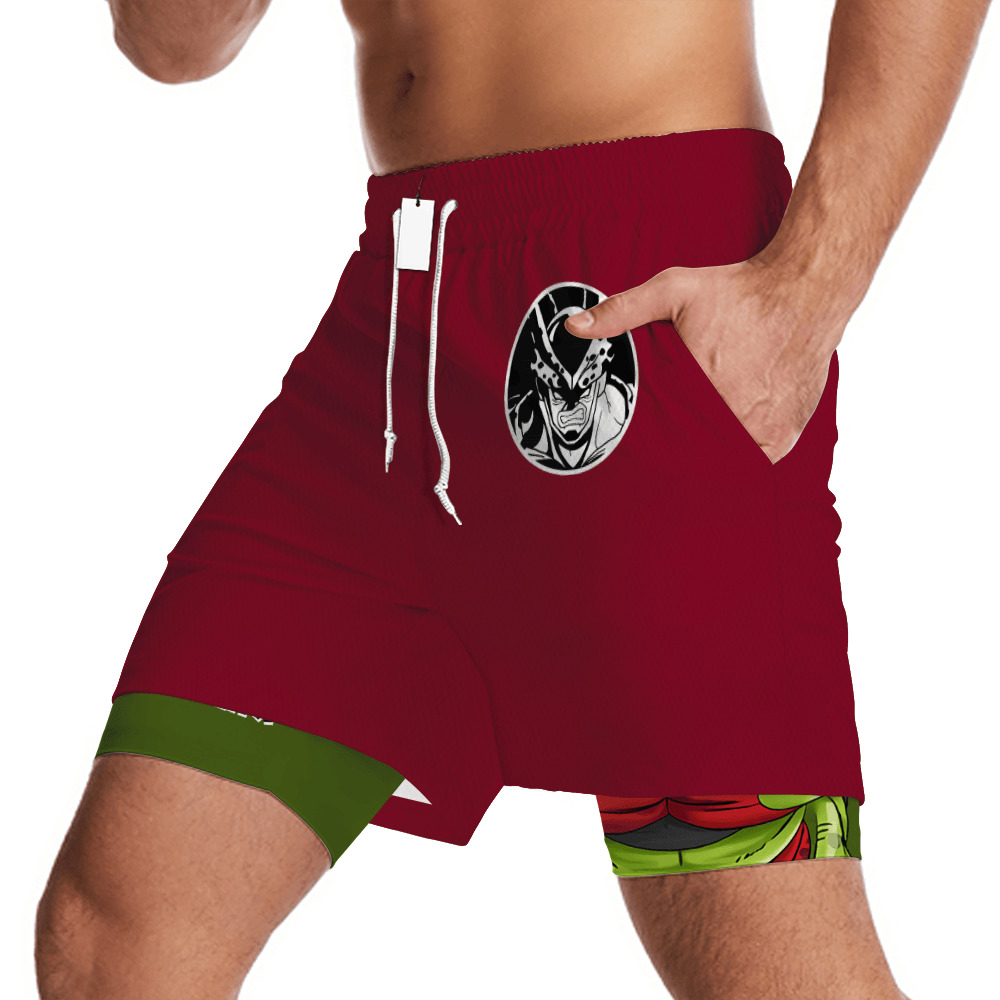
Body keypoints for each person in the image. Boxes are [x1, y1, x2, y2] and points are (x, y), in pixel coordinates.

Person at [34, 2, 992, 998]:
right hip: (397, 319)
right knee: (115, 942)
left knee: (762, 959)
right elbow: (172, 45)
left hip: (631, 300)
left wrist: (807, 291)